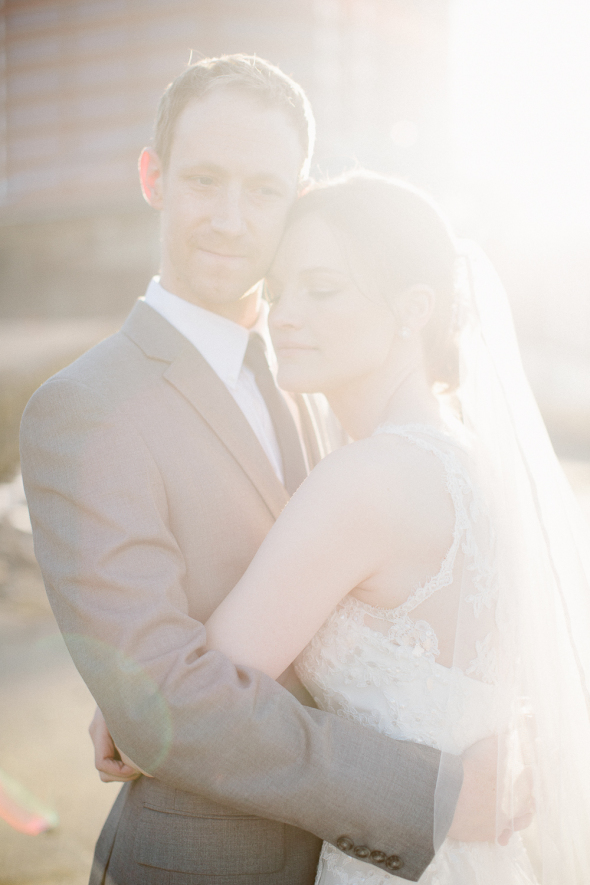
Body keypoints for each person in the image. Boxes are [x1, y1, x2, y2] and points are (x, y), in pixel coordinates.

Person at [19, 56, 503, 885]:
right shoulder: (84, 408)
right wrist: (431, 795)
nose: (231, 218)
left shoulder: (316, 374)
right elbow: (162, 698)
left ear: (299, 196)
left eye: (265, 190)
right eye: (205, 179)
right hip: (200, 861)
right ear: (153, 176)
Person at [112, 172, 590, 883]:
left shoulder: (365, 480)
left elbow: (185, 705)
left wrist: (123, 708)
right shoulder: (470, 458)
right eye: (277, 292)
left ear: (413, 309)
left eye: (323, 289)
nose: (285, 315)